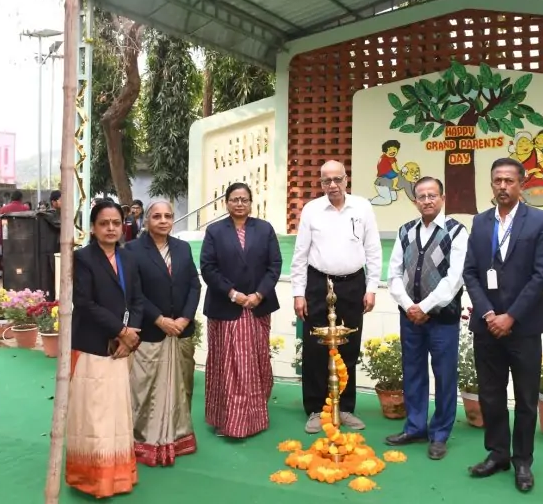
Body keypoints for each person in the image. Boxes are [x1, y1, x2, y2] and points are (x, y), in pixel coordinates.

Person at [463, 157, 543, 493]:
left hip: (524, 325)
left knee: (527, 398)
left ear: (522, 183)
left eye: (509, 181)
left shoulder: (540, 221)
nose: (503, 186)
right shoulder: (481, 222)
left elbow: (541, 274)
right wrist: (489, 314)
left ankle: (522, 461)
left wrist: (511, 316)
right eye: (497, 180)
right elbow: (471, 272)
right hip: (487, 325)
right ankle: (498, 454)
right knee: (490, 394)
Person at [291, 160, 382, 433]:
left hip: (354, 284)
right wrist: (298, 293)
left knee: (349, 347)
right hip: (319, 285)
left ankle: (345, 408)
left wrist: (372, 288)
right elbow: (300, 255)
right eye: (326, 181)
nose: (332, 185)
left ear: (346, 180)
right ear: (320, 183)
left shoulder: (363, 207)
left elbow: (373, 249)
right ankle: (317, 409)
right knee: (316, 348)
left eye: (337, 179)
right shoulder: (312, 210)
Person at [384, 176, 468, 460]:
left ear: (443, 199)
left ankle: (440, 434)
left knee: (444, 375)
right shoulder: (405, 230)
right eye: (422, 196)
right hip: (409, 317)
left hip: (443, 318)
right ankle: (415, 427)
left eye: (433, 195)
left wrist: (426, 307)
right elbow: (393, 274)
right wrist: (410, 306)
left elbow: (455, 279)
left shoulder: (456, 231)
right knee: (413, 372)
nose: (427, 200)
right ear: (415, 201)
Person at [66, 200, 144, 498]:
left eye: (115, 222)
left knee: (117, 412)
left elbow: (137, 301)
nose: (111, 228)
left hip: (122, 347)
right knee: (92, 415)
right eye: (103, 223)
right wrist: (121, 331)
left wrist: (130, 334)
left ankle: (119, 475)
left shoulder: (129, 258)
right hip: (91, 345)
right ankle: (91, 478)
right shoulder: (83, 258)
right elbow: (84, 303)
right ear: (93, 228)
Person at [200, 183, 283, 438]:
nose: (239, 204)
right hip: (226, 307)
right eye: (234, 199)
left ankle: (255, 418)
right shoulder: (215, 231)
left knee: (254, 364)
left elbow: (275, 264)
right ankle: (229, 420)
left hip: (258, 306)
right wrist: (234, 294)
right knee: (230, 365)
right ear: (226, 203)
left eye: (244, 199)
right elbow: (208, 267)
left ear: (251, 203)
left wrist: (259, 294)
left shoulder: (264, 229)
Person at [128, 200, 202, 466]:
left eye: (168, 216)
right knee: (144, 388)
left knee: (183, 386)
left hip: (180, 331)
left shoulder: (182, 248)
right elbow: (134, 293)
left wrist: (184, 318)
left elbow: (194, 285)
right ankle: (142, 441)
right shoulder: (133, 250)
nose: (163, 220)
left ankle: (178, 437)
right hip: (150, 331)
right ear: (147, 220)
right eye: (156, 216)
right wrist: (159, 319)